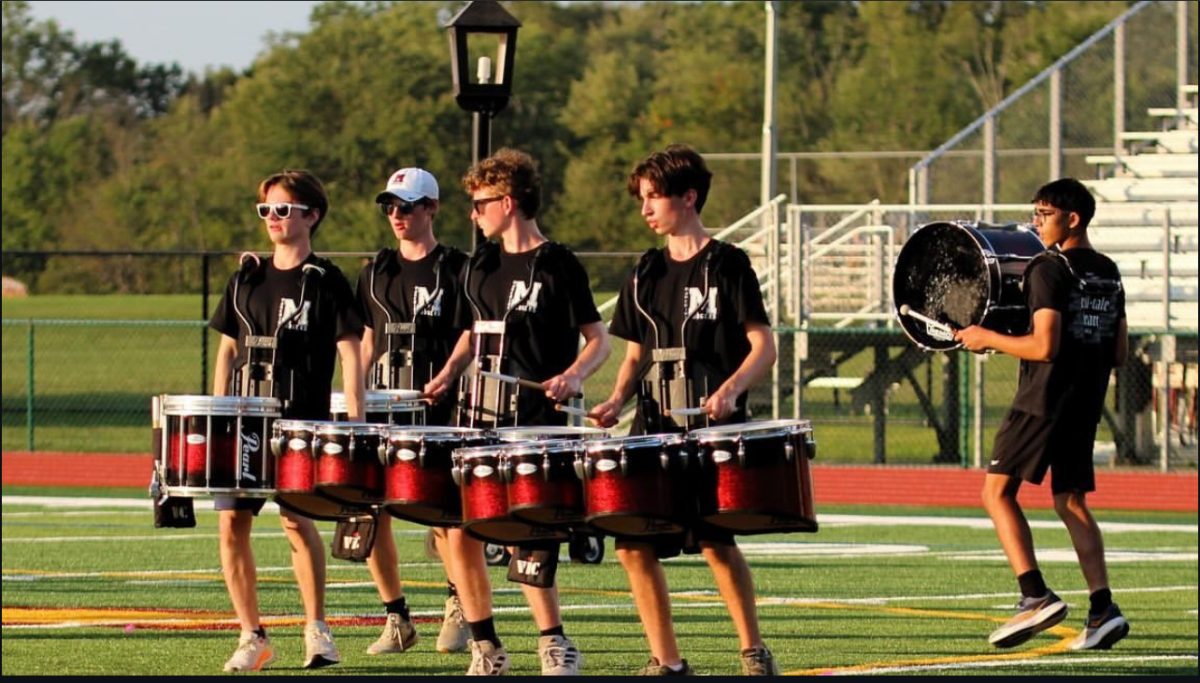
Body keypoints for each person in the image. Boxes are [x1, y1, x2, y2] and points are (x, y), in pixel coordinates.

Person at [590, 144, 779, 676]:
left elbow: (763, 345)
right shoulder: (645, 271)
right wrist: (615, 401)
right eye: (642, 199)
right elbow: (634, 355)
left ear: (688, 197)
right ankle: (668, 661)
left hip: (711, 429)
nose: (645, 209)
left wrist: (731, 390)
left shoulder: (728, 263)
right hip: (654, 430)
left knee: (717, 543)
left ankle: (752, 650)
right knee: (632, 545)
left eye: (654, 198)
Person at [426, 148, 611, 675]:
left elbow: (598, 341)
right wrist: (447, 374)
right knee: (460, 530)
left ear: (508, 202)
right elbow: (473, 332)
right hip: (478, 416)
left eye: (481, 203)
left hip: (536, 421)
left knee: (530, 536)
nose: (473, 213)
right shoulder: (480, 264)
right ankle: (486, 646)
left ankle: (553, 641)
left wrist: (574, 375)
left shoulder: (557, 263)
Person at [955, 177, 1130, 652]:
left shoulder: (1048, 268)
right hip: (1086, 401)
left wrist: (985, 337)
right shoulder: (1110, 271)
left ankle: (1034, 594)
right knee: (1070, 502)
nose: (1036, 222)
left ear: (1072, 219)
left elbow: (1044, 345)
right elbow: (1119, 351)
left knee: (996, 492)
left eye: (1045, 214)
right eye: (1035, 212)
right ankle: (1102, 609)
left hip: (1042, 400)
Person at [209, 170, 365, 672]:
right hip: (245, 422)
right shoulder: (245, 278)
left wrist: (354, 421)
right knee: (232, 523)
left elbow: (350, 352)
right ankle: (251, 635)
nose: (273, 219)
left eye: (283, 209)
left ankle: (316, 629)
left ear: (311, 215)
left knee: (298, 522)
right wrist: (219, 411)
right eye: (266, 211)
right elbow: (228, 349)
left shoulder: (326, 280)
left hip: (301, 421)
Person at [354, 167, 479, 655]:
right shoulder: (375, 271)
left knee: (443, 516)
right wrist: (354, 395)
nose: (396, 215)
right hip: (385, 407)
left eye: (406, 205)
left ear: (431, 208)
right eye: (390, 206)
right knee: (371, 513)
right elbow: (367, 340)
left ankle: (459, 604)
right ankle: (397, 618)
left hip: (441, 406)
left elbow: (474, 329)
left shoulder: (458, 267)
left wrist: (448, 372)